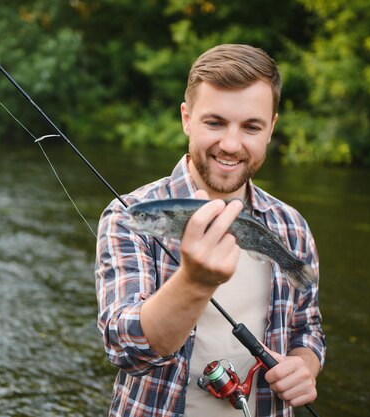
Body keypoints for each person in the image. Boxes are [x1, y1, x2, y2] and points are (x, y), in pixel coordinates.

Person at [95, 44, 325, 417]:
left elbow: (307, 329)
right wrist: (195, 281)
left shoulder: (292, 225)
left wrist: (305, 366)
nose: (231, 145)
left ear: (271, 129)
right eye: (215, 123)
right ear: (187, 118)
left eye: (251, 126)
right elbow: (126, 349)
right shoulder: (129, 216)